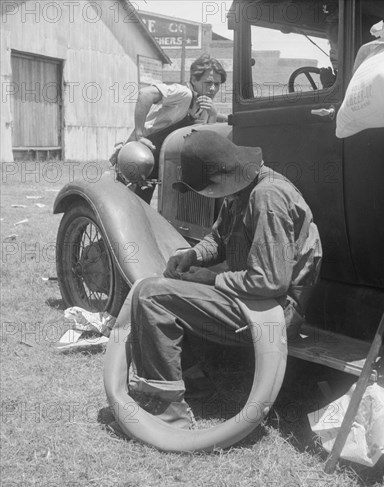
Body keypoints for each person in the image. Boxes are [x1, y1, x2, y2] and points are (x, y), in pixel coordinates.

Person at [125, 130, 323, 429]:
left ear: (220, 179)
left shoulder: (267, 197)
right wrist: (193, 256)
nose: (204, 197)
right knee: (161, 283)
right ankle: (193, 382)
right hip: (256, 299)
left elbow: (270, 281)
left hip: (274, 311)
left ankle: (167, 411)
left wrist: (209, 279)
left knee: (153, 296)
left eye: (204, 190)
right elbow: (219, 237)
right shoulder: (242, 186)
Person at [112, 53, 227, 203]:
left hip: (161, 164)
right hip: (139, 157)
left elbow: (204, 142)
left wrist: (213, 114)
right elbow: (145, 94)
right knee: (127, 207)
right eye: (208, 83)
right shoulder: (183, 94)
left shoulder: (205, 106)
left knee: (149, 211)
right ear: (193, 79)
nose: (213, 89)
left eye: (217, 84)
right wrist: (140, 135)